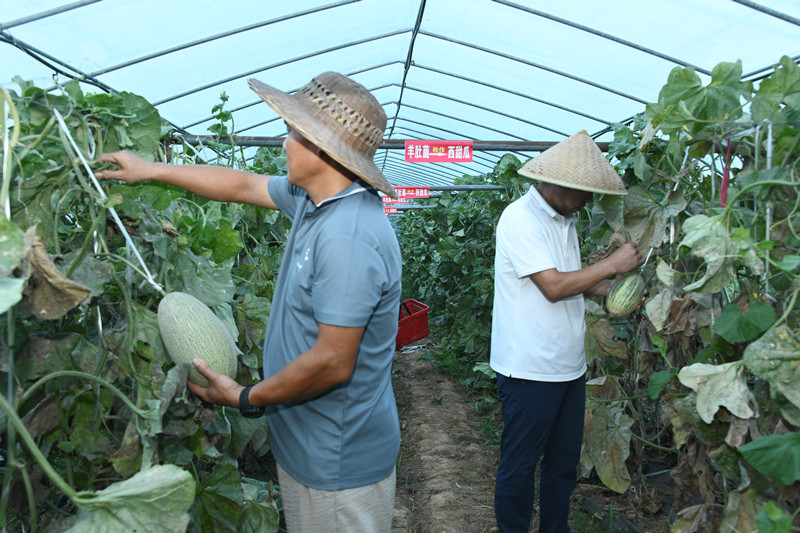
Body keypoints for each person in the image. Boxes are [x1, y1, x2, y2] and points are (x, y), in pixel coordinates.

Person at [96, 72, 402, 533]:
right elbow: (242, 185)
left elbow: (333, 363)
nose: (284, 142)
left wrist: (245, 398)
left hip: (336, 460)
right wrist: (151, 169)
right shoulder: (314, 201)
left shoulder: (349, 236)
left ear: (323, 151)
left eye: (294, 132)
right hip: (310, 446)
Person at [490, 130, 643, 533]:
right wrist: (613, 265)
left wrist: (608, 289)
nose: (590, 200)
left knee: (562, 466)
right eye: (586, 191)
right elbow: (554, 286)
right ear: (560, 184)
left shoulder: (564, 220)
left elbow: (572, 280)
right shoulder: (520, 218)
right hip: (529, 368)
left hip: (568, 367)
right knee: (520, 468)